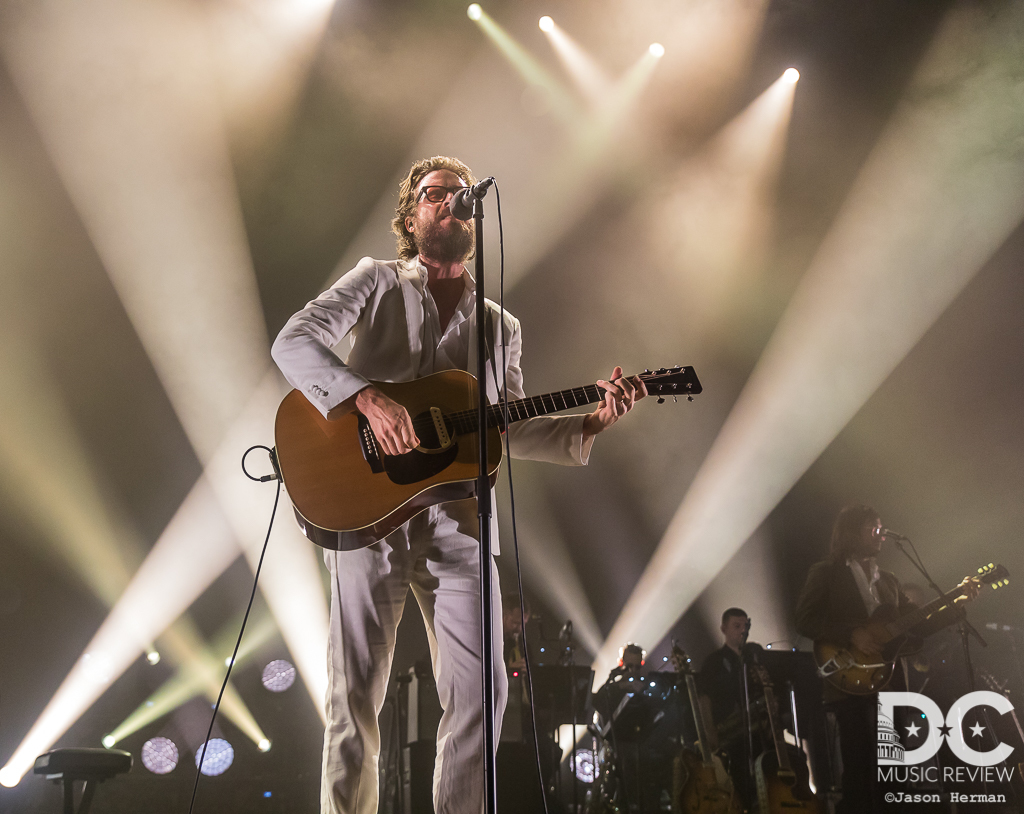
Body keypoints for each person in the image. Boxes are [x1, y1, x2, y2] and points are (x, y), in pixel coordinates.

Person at [271, 155, 646, 814]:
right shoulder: (377, 282)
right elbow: (294, 342)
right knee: (354, 690)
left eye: (458, 194)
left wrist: (589, 424)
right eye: (434, 194)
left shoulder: (501, 326)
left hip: (462, 518)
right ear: (411, 219)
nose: (450, 202)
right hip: (368, 506)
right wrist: (367, 401)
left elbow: (506, 428)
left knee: (484, 692)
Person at [794, 504, 979, 813]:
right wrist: (852, 633)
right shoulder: (826, 572)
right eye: (874, 529)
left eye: (882, 528)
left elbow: (916, 624)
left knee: (893, 768)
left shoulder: (889, 581)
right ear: (852, 533)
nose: (881, 535)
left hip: (889, 682)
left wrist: (955, 605)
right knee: (857, 766)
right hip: (847, 679)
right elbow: (804, 620)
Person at [697, 608, 758, 808]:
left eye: (745, 626)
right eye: (736, 626)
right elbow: (703, 698)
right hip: (730, 737)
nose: (742, 631)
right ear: (724, 628)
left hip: (757, 734)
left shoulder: (754, 658)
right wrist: (709, 731)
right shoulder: (713, 662)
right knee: (738, 785)